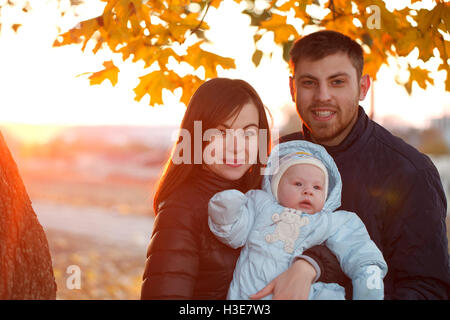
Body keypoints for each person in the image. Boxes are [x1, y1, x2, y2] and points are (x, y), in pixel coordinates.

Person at [270, 30, 450, 299]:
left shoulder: (409, 171)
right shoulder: (275, 157)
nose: (322, 96)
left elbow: (428, 289)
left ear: (363, 87)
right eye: (309, 82)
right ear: (292, 88)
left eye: (337, 82)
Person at [140, 78, 316, 299]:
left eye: (248, 133)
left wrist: (308, 265)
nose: (236, 146)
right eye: (221, 132)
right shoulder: (181, 210)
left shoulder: (267, 196)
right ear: (197, 136)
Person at [208, 140, 387, 300]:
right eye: (298, 184)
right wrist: (226, 210)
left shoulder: (329, 221)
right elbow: (234, 234)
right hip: (249, 293)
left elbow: (357, 248)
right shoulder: (260, 204)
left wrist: (368, 279)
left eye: (317, 187)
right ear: (276, 186)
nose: (308, 191)